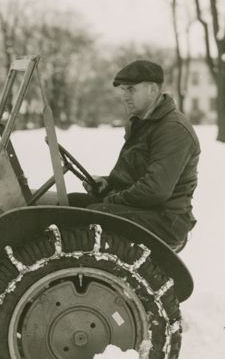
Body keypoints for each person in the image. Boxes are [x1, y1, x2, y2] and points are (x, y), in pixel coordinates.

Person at [71, 60, 200, 251]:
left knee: (93, 214)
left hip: (166, 220)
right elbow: (136, 175)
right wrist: (108, 185)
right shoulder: (144, 123)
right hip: (147, 210)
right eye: (123, 90)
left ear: (153, 90)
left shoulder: (172, 129)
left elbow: (155, 190)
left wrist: (110, 200)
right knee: (72, 203)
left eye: (130, 90)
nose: (124, 97)